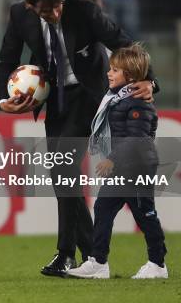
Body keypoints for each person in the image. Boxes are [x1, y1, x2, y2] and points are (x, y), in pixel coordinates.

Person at [0, 0, 158, 277]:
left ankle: (72, 254)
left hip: (89, 98)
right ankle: (89, 256)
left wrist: (150, 80)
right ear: (30, 6)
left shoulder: (85, 11)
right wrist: (3, 100)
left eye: (57, 5)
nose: (55, 12)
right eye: (46, 10)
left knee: (62, 168)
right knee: (61, 176)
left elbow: (124, 43)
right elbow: (6, 59)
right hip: (55, 102)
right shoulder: (19, 15)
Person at [67, 44, 167, 279]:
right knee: (103, 207)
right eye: (110, 69)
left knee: (144, 214)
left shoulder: (138, 103)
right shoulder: (117, 98)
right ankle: (98, 262)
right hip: (123, 167)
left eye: (114, 70)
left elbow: (137, 140)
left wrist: (111, 159)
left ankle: (158, 263)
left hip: (138, 166)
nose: (109, 73)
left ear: (130, 76)